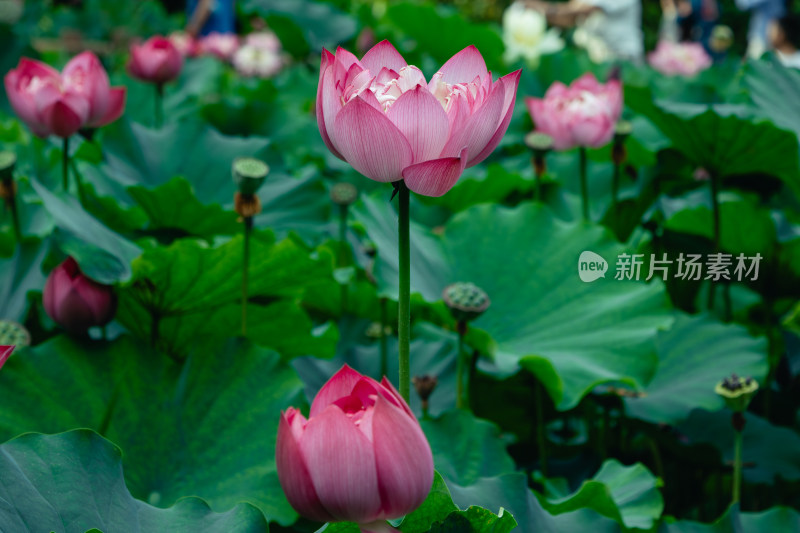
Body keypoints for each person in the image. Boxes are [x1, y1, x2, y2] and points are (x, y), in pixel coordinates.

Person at [525, 0, 644, 63]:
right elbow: (567, 19)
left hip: (623, 60)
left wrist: (539, 8)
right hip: (595, 60)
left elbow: (577, 11)